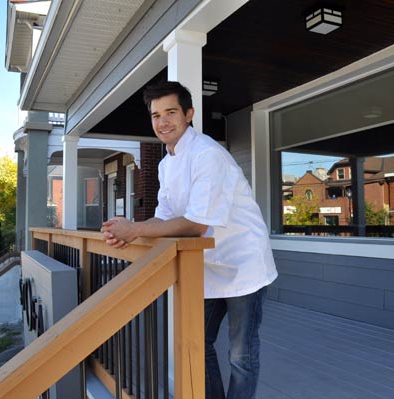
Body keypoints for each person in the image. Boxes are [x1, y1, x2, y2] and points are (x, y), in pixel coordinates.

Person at [101, 81, 277, 399]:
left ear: (189, 114)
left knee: (242, 356)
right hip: (207, 267)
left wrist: (136, 230)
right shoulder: (167, 164)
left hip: (244, 264)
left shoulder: (208, 154)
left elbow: (196, 225)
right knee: (197, 341)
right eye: (156, 115)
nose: (162, 122)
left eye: (170, 112)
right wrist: (127, 231)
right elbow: (163, 219)